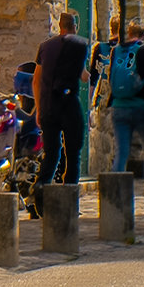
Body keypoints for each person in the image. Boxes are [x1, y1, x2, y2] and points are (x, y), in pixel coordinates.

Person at [110, 17, 144, 208]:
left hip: (119, 107)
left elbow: (111, 78)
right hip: (143, 109)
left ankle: (114, 200)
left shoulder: (117, 50)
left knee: (121, 153)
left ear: (129, 33)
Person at [34, 12, 88, 186]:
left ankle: (40, 189)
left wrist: (39, 108)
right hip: (69, 105)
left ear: (60, 26)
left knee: (51, 152)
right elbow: (83, 75)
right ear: (75, 27)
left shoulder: (45, 46)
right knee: (73, 154)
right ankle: (69, 199)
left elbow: (36, 80)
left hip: (48, 105)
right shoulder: (79, 45)